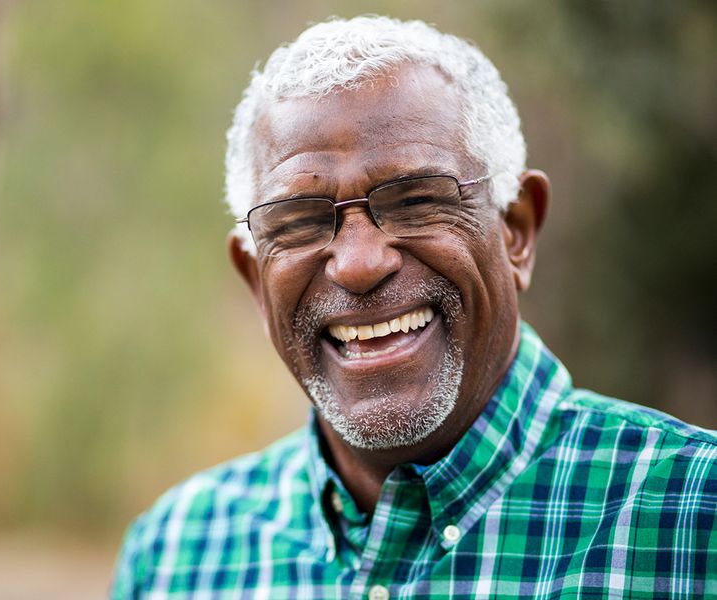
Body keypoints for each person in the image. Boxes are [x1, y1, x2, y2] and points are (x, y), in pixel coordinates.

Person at [112, 16, 716, 598]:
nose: (358, 264)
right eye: (298, 221)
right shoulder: (177, 558)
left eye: (415, 201)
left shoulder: (693, 517)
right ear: (254, 278)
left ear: (517, 230)